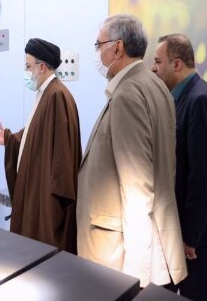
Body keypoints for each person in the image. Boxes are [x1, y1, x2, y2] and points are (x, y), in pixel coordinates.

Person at [77, 14, 187, 288]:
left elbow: (137, 187)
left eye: (99, 44)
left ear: (117, 48)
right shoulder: (156, 86)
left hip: (116, 249)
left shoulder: (127, 94)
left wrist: (135, 276)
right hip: (147, 234)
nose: (97, 52)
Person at [152, 34, 207, 300]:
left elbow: (203, 176)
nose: (153, 68)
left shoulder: (200, 99)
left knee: (197, 293)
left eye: (158, 61)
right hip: (181, 226)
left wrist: (190, 236)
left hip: (194, 232)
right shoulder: (182, 98)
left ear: (177, 64)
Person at [0, 38, 81, 254]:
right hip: (40, 189)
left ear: (41, 67)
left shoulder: (56, 95)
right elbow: (35, 135)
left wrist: (52, 203)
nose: (26, 72)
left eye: (28, 66)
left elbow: (61, 154)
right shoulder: (46, 94)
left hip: (48, 197)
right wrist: (8, 139)